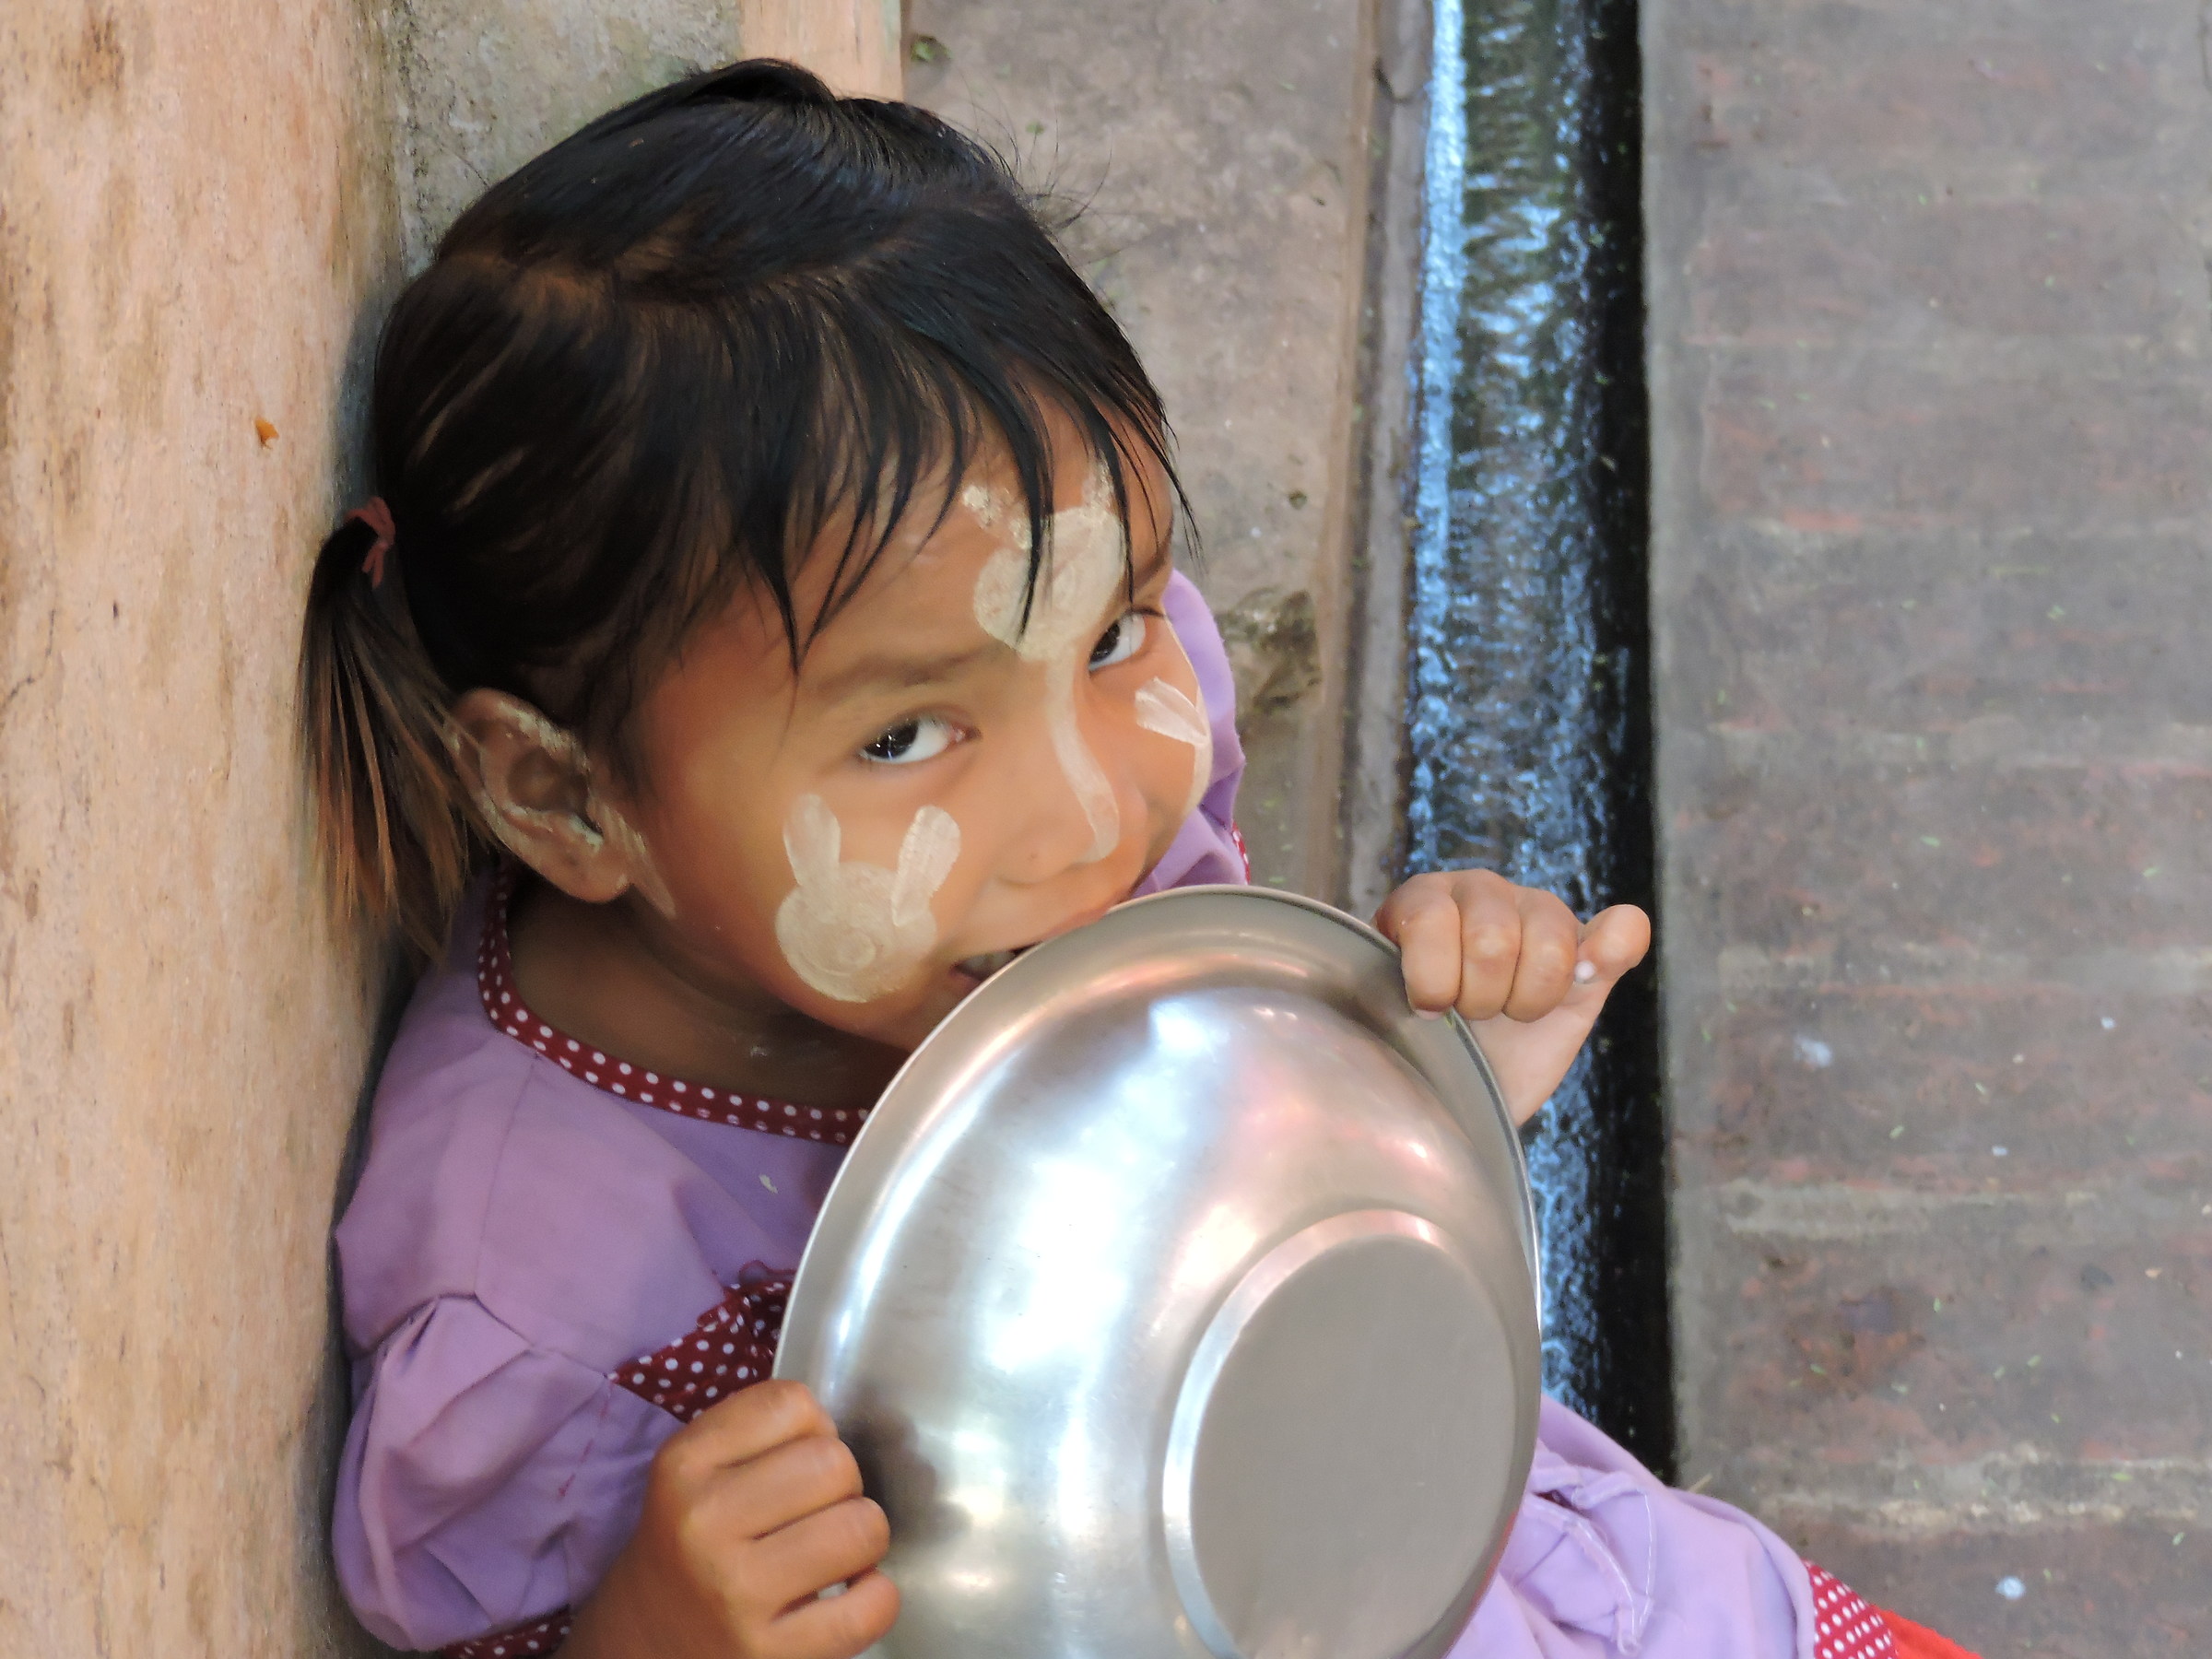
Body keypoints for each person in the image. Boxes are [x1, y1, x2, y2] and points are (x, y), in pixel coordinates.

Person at [303, 61, 1972, 1659]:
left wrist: (1408, 1069)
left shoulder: (1027, 866)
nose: (1097, 812)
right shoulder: (534, 1306)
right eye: (904, 739)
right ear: (564, 799)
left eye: (1112, 631)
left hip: (1478, 1572)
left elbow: (1235, 1184)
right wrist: (647, 1640)